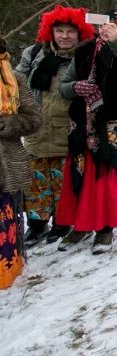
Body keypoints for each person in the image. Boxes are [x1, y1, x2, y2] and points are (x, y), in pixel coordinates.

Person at [55, 10, 117, 253]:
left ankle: (105, 229)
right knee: (81, 174)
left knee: (108, 177)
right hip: (84, 123)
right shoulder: (85, 51)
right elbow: (63, 87)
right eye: (103, 26)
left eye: (113, 26)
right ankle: (82, 224)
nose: (106, 30)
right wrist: (76, 87)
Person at [16, 5, 96, 247]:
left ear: (79, 33)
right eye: (59, 31)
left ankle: (63, 224)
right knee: (35, 183)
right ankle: (38, 225)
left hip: (67, 132)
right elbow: (15, 84)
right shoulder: (34, 55)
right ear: (49, 32)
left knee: (64, 184)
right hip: (36, 131)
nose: (64, 36)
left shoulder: (86, 57)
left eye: (70, 32)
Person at [0, 41, 42, 288]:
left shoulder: (13, 79)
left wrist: (8, 124)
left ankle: (8, 270)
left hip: (6, 166)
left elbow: (35, 119)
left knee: (6, 225)